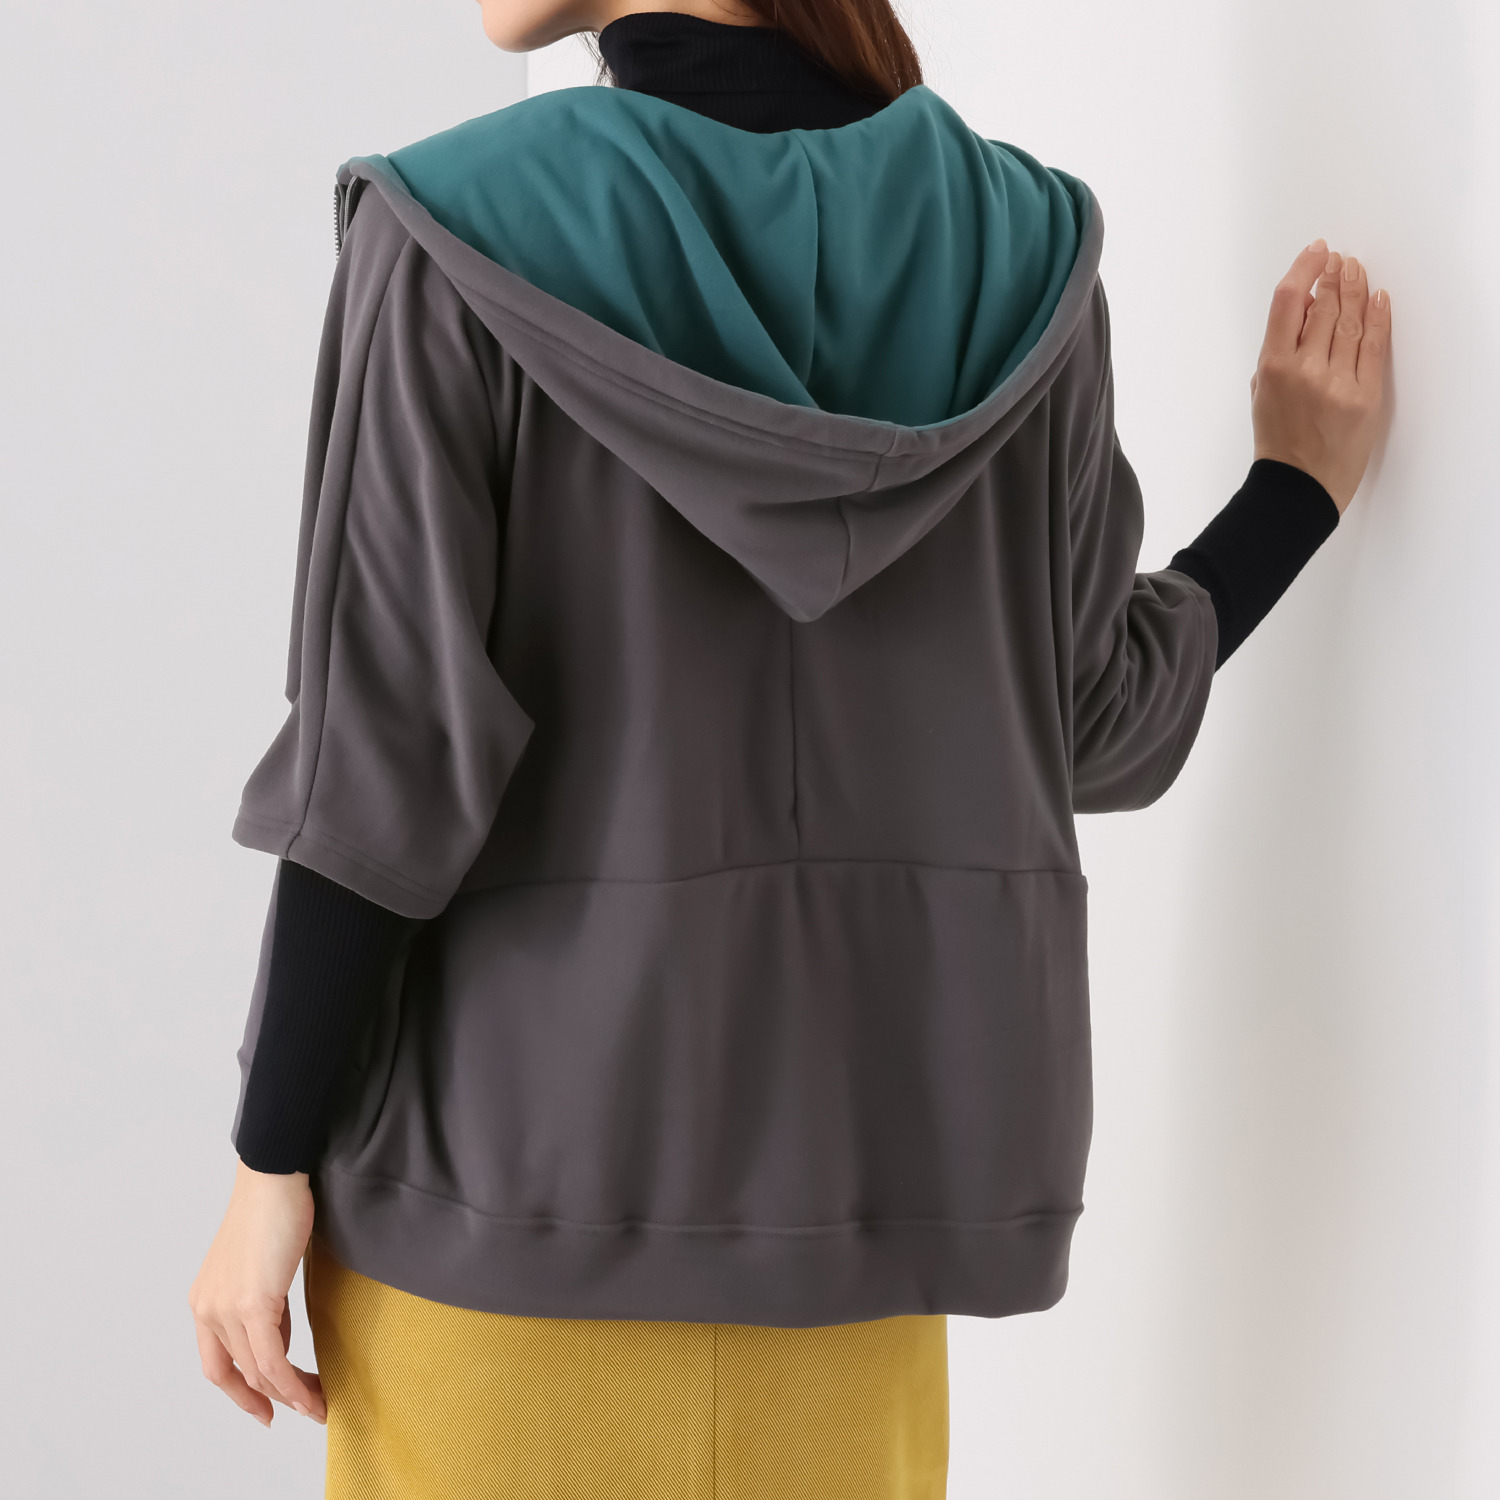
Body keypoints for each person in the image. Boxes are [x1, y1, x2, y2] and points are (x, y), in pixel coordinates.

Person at [189, 0, 1391, 1493]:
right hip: (857, 1251)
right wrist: (1292, 492)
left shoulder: (449, 237)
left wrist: (268, 1163)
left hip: (498, 1231)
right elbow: (1097, 720)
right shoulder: (1024, 260)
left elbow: (382, 763)